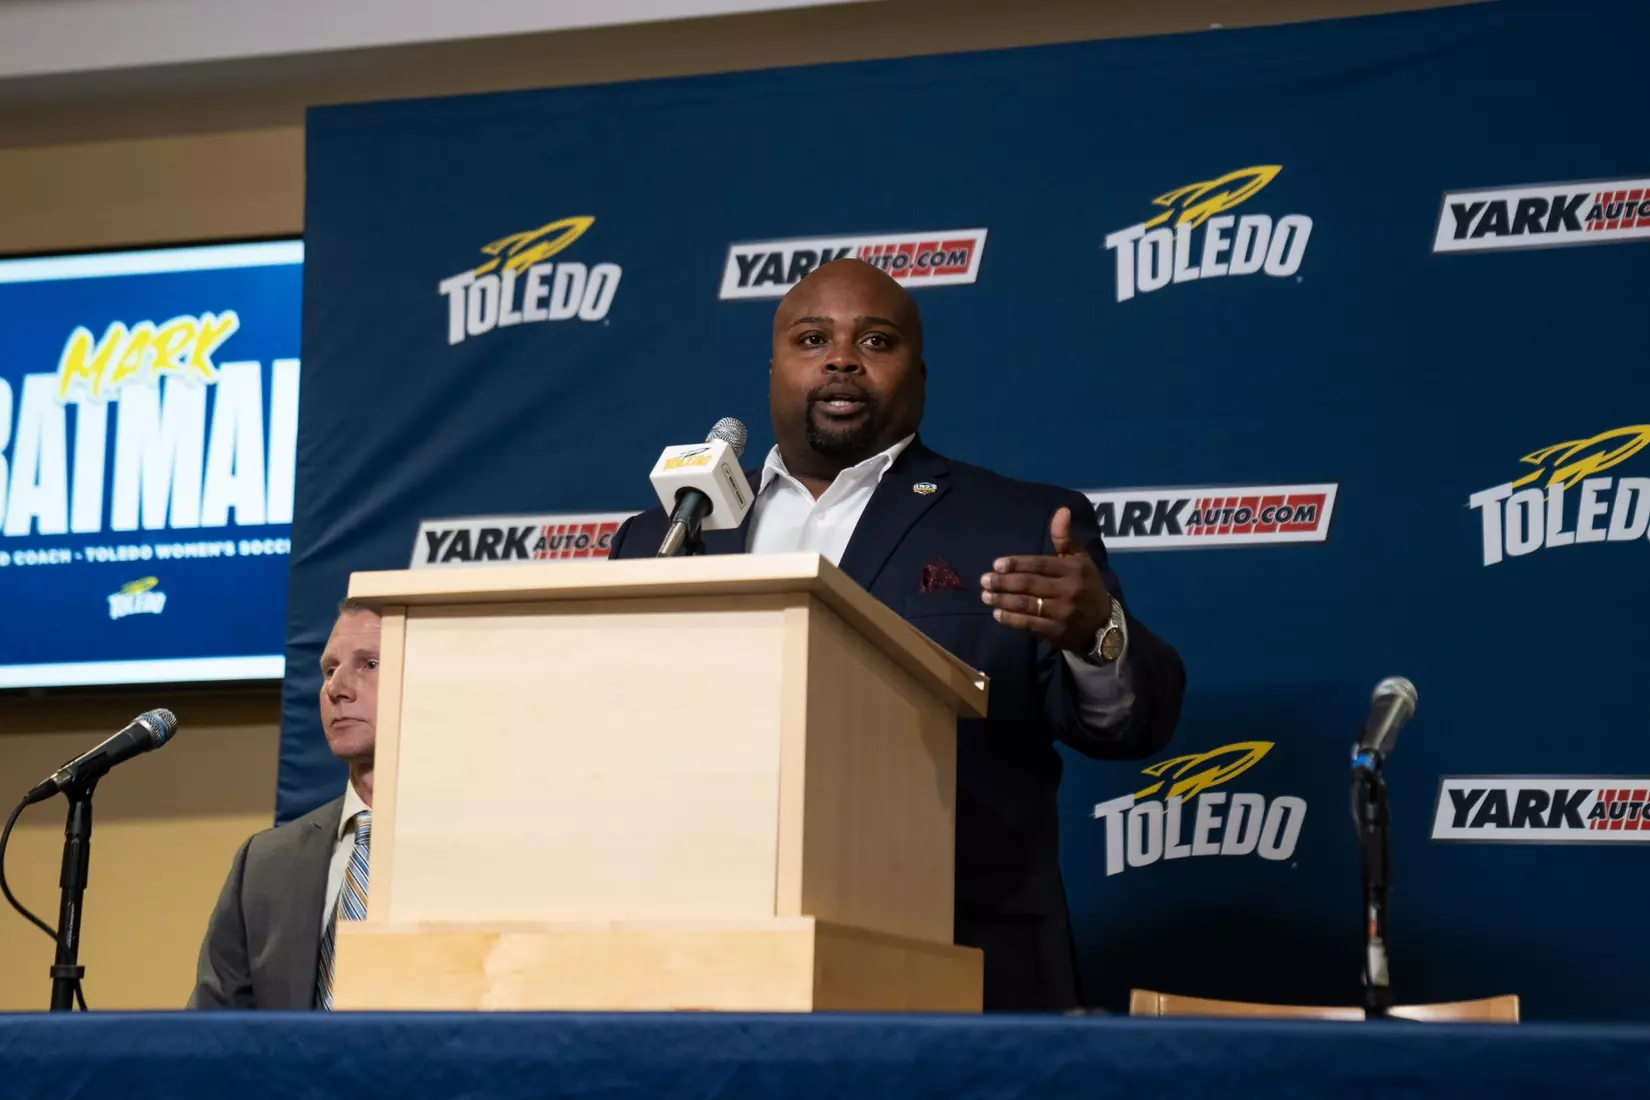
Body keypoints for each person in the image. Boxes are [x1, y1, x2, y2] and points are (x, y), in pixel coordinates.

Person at [608, 259, 1185, 1011]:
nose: (842, 358)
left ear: (919, 373)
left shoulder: (1017, 525)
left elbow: (1126, 727)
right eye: (812, 338)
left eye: (875, 341)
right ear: (774, 367)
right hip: (701, 953)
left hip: (955, 953)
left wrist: (1096, 633)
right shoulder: (663, 536)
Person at [188, 598, 381, 1009]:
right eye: (329, 670)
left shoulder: (466, 852)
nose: (336, 688)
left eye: (369, 665)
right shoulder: (263, 863)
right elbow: (211, 1032)